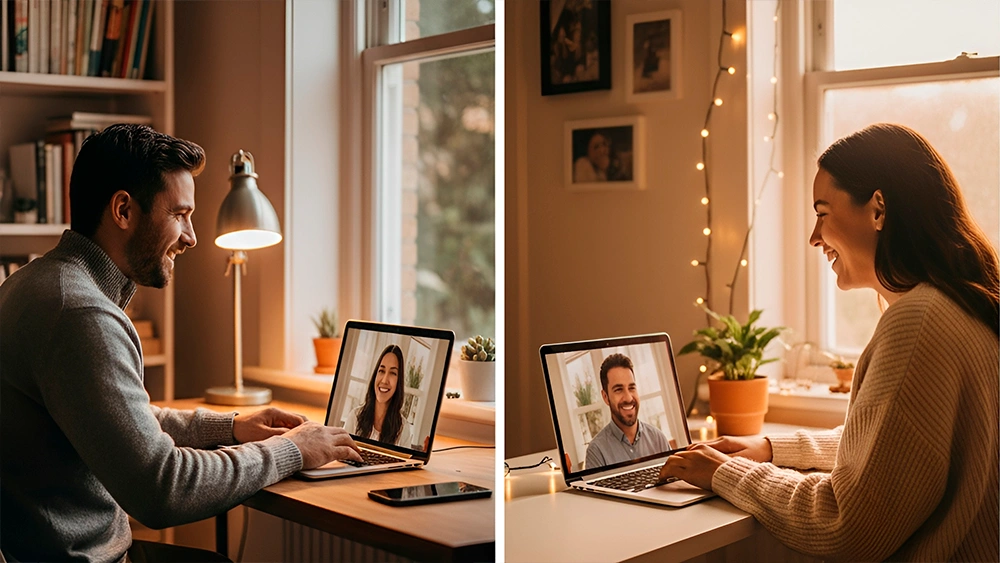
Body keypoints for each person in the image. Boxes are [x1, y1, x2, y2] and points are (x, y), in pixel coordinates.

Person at [0, 124, 363, 563]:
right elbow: (163, 488)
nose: (190, 236)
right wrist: (291, 449)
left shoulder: (36, 284)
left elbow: (116, 419)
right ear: (123, 210)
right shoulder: (80, 314)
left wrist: (231, 428)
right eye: (179, 214)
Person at [659, 123, 999, 562]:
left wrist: (726, 472)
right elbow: (895, 448)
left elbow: (846, 524)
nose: (814, 237)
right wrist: (772, 449)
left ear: (878, 209)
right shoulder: (963, 304)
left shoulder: (919, 322)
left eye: (822, 212)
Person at [585, 353, 673, 469]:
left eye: (631, 388)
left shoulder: (658, 438)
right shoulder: (596, 452)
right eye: (618, 389)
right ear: (605, 397)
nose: (628, 398)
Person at [344, 344, 414, 448]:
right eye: (381, 371)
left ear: (398, 381)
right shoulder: (354, 417)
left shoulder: (403, 429)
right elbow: (341, 453)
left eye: (393, 373)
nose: (385, 380)